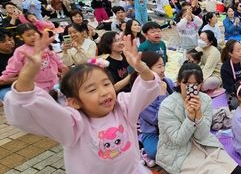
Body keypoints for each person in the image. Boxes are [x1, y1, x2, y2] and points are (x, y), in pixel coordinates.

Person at [4, 33, 160, 173]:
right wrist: (26, 78)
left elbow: (148, 87)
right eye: (92, 90)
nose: (104, 92)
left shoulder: (124, 108)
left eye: (106, 84)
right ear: (74, 102)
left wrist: (141, 68)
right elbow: (31, 112)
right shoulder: (72, 124)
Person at [156, 63, 241, 174]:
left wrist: (199, 114)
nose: (191, 88)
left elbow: (203, 135)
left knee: (237, 170)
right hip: (179, 152)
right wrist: (190, 118)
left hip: (204, 143)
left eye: (196, 84)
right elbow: (179, 141)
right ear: (179, 81)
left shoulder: (205, 99)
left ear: (201, 84)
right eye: (187, 84)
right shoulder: (167, 106)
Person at [132, 51, 174, 164]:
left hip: (172, 126)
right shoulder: (141, 93)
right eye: (159, 66)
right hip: (153, 131)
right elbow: (156, 119)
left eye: (164, 65)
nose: (163, 69)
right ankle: (142, 144)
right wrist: (161, 96)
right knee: (156, 152)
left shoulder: (167, 82)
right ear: (147, 69)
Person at [1, 24, 67, 91]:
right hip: (36, 84)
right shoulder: (20, 51)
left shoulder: (43, 45)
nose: (32, 37)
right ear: (21, 37)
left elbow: (54, 57)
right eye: (28, 35)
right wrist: (3, 78)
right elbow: (13, 67)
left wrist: (62, 66)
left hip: (53, 79)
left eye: (34, 34)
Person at [0, 31, 15, 101]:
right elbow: (1, 81)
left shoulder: (20, 51)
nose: (9, 43)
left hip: (29, 82)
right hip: (6, 88)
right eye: (3, 42)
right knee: (12, 100)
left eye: (10, 39)